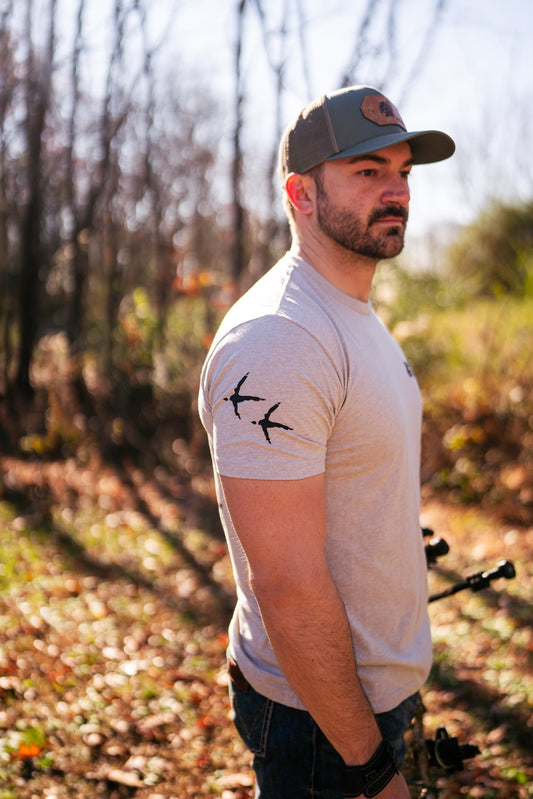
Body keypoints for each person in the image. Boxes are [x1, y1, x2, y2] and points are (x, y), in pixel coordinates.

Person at [198, 85, 455, 798]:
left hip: (370, 700)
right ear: (301, 194)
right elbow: (285, 585)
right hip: (323, 728)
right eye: (367, 171)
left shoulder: (352, 314)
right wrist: (370, 770)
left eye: (402, 171)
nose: (397, 191)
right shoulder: (280, 338)